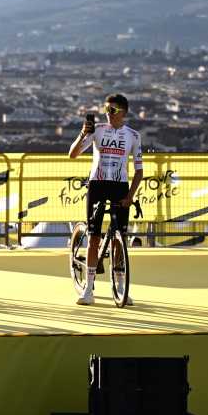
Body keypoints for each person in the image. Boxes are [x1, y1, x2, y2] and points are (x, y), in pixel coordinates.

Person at [68, 93, 143, 306]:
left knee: (120, 239)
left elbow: (139, 171)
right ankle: (88, 289)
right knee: (94, 238)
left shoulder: (133, 136)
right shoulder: (97, 130)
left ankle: (120, 287)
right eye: (106, 109)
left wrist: (130, 196)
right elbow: (73, 154)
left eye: (112, 110)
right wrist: (83, 134)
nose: (108, 114)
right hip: (98, 185)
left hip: (120, 187)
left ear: (123, 112)